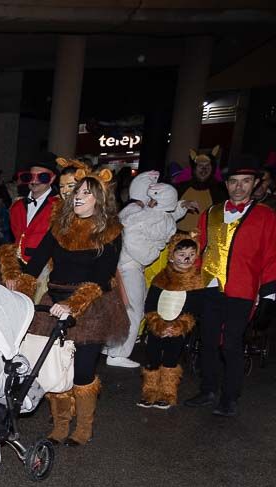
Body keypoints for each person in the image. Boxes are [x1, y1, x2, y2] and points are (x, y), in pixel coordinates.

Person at [1, 167, 128, 446]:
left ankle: (83, 427)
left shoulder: (110, 231)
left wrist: (74, 305)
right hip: (53, 299)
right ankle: (60, 424)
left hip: (90, 302)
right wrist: (19, 289)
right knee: (49, 366)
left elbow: (102, 276)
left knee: (82, 369)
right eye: (77, 192)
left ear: (100, 200)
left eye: (86, 193)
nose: (78, 196)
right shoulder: (59, 226)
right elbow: (35, 265)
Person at [184, 155, 276, 417]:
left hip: (243, 288)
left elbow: (272, 256)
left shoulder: (265, 216)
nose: (239, 187)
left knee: (232, 344)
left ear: (255, 183)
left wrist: (269, 296)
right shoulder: (210, 212)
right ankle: (208, 389)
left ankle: (230, 396)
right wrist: (190, 282)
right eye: (234, 181)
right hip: (209, 286)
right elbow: (201, 249)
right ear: (226, 184)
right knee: (208, 341)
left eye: (246, 181)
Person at [109, 171, 187, 368]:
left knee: (124, 307)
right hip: (129, 266)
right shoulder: (141, 213)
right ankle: (118, 352)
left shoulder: (138, 210)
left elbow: (162, 216)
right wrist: (154, 249)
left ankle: (112, 346)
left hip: (125, 265)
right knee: (133, 310)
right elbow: (142, 245)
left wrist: (178, 209)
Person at [138, 237, 203, 410]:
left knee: (170, 359)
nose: (187, 259)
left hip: (178, 328)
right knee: (152, 357)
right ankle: (149, 391)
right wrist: (157, 323)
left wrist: (179, 326)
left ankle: (167, 393)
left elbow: (194, 309)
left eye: (191, 254)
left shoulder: (196, 281)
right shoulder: (161, 278)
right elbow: (150, 303)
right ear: (172, 256)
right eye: (182, 254)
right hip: (157, 325)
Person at [10, 155, 59, 265]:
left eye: (43, 177)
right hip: (18, 265)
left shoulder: (58, 206)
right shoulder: (16, 206)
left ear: (52, 179)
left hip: (45, 268)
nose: (34, 181)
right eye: (30, 176)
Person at [174, 147, 227, 234]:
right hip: (178, 237)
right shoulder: (180, 188)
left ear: (212, 169)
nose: (204, 169)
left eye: (207, 166)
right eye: (200, 166)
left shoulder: (220, 191)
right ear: (194, 168)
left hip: (204, 239)